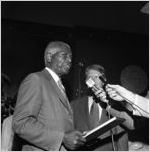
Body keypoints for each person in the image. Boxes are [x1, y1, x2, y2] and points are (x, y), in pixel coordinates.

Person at [12, 41, 86, 151]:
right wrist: (62, 138)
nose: (70, 60)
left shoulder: (60, 86)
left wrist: (76, 136)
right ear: (49, 57)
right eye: (64, 56)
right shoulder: (35, 79)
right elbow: (21, 123)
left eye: (71, 57)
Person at [71, 64, 134, 151]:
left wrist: (107, 103)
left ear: (103, 81)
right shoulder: (74, 105)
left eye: (96, 77)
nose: (93, 80)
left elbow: (123, 134)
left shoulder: (116, 104)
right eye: (89, 77)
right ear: (86, 81)